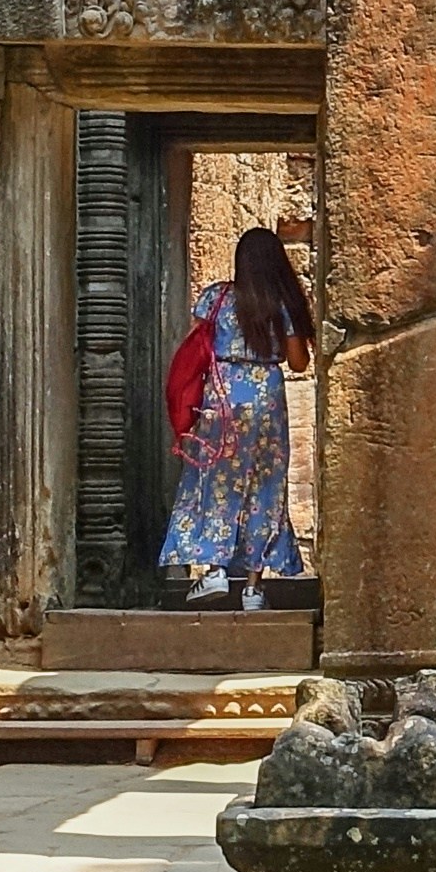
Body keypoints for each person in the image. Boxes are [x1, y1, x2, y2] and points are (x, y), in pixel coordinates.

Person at [161, 226, 314, 610]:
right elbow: (298, 363)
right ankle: (252, 589)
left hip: (222, 396)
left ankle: (213, 569)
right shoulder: (282, 304)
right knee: (264, 487)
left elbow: (196, 346)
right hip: (266, 399)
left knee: (213, 480)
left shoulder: (216, 297)